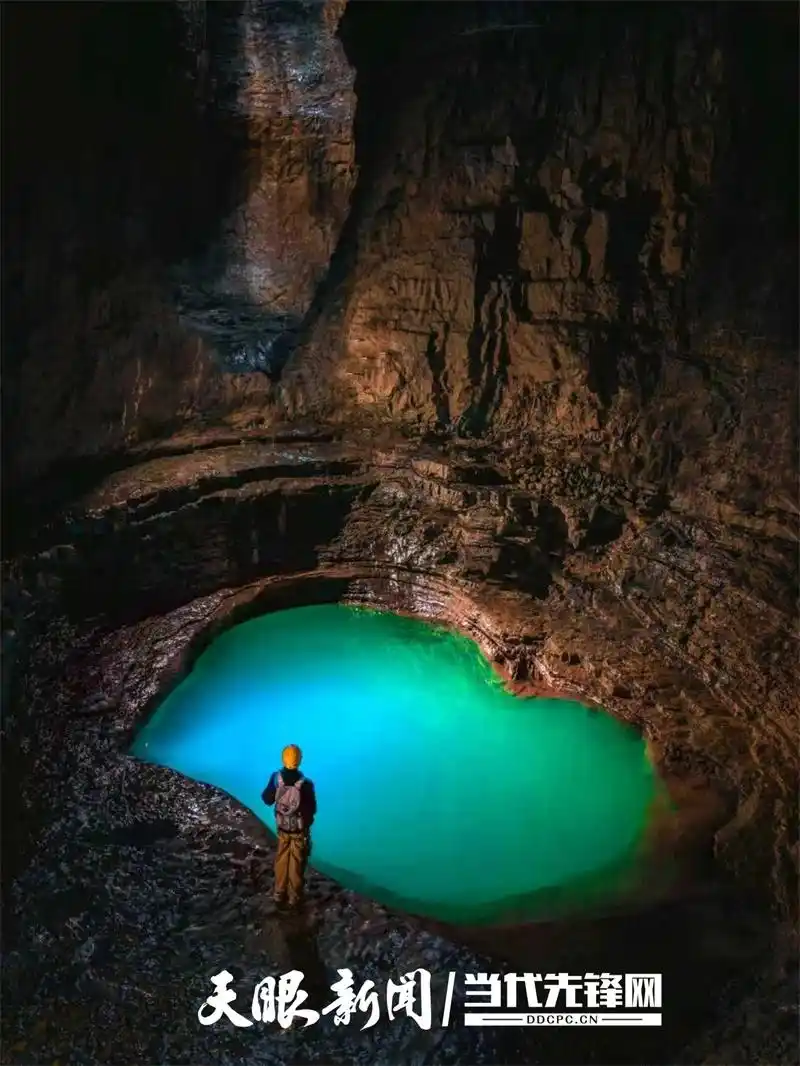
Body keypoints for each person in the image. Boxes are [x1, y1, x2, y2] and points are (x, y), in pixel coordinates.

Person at [262, 744, 316, 909]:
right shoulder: (306, 783)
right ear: (299, 760)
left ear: (283, 759)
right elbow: (312, 809)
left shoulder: (275, 778)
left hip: (283, 828)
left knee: (282, 858)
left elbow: (267, 799)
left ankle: (279, 894)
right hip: (299, 830)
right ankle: (294, 898)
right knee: (297, 861)